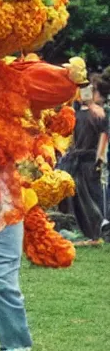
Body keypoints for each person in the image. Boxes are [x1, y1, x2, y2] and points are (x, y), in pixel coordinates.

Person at [58, 77, 109, 243]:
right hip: (76, 160)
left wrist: (100, 158)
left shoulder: (100, 113)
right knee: (78, 197)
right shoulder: (77, 112)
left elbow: (104, 135)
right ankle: (85, 231)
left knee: (93, 194)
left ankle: (98, 229)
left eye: (92, 90)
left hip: (90, 160)